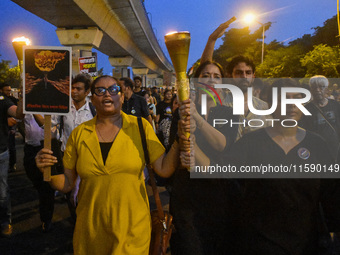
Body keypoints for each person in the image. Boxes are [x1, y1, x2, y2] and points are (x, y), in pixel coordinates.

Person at [35, 75, 187, 254]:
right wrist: (47, 169)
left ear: (122, 97)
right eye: (100, 90)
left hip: (132, 230)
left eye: (114, 90)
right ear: (92, 99)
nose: (107, 95)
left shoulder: (140, 127)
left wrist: (179, 138)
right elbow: (66, 184)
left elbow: (164, 168)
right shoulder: (79, 134)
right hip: (91, 232)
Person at [211, 78, 340, 254]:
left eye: (297, 98)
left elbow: (331, 197)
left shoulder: (317, 145)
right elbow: (224, 185)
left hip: (308, 245)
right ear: (271, 104)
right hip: (260, 245)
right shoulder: (250, 144)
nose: (291, 104)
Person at [170, 61, 238, 254]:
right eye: (206, 75)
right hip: (187, 195)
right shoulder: (181, 113)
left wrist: (197, 119)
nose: (211, 80)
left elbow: (222, 145)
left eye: (217, 76)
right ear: (196, 81)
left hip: (218, 192)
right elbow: (173, 151)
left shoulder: (228, 113)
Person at [201, 20, 271, 139]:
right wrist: (212, 40)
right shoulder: (220, 100)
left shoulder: (263, 107)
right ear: (230, 76)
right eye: (239, 73)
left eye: (248, 73)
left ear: (253, 76)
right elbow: (204, 71)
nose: (244, 76)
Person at [59, 73, 95, 222]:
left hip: (87, 159)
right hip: (67, 157)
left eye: (78, 89)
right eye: (72, 88)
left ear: (87, 92)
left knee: (85, 193)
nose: (74, 91)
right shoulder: (63, 108)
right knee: (69, 193)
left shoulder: (94, 111)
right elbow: (50, 125)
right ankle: (76, 222)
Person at [23, 114, 59, 232]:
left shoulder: (54, 103)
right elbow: (18, 119)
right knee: (36, 180)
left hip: (48, 146)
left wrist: (34, 108)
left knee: (47, 187)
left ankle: (46, 219)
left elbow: (46, 124)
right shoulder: (27, 102)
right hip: (30, 148)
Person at [0, 83, 23, 237]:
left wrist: (23, 95)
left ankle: (5, 222)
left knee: (1, 192)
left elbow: (19, 114)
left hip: (0, 153)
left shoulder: (2, 100)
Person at [300, 75, 340, 161]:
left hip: (336, 149)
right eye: (314, 87)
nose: (318, 90)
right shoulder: (306, 109)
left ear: (326, 89)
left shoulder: (336, 105)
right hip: (316, 150)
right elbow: (304, 131)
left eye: (321, 87)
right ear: (311, 90)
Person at [0, 83, 18, 172]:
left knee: (12, 147)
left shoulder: (8, 100)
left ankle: (12, 164)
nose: (9, 92)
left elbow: (18, 114)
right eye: (7, 90)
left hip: (6, 136)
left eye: (10, 90)